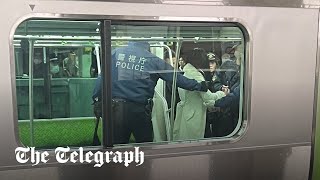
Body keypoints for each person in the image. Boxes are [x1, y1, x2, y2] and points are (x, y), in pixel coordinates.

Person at [92, 41, 208, 144]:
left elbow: (101, 79)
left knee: (116, 149)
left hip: (115, 110)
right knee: (144, 148)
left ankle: (116, 168)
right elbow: (176, 78)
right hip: (140, 111)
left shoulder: (115, 54)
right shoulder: (152, 59)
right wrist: (198, 85)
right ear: (147, 46)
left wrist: (96, 99)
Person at [173, 48, 228, 141]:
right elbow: (208, 97)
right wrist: (222, 93)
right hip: (194, 115)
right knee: (193, 144)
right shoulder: (195, 74)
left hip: (187, 112)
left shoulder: (186, 70)